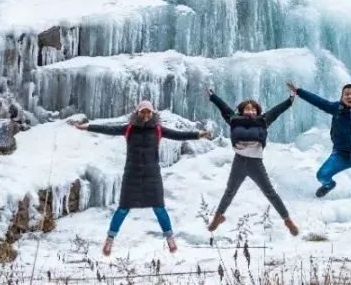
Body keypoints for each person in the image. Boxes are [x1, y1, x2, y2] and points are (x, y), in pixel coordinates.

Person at [73, 100, 209, 256]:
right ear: (137, 112)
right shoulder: (129, 128)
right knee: (123, 208)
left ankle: (170, 238)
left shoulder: (158, 129)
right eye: (143, 111)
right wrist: (86, 127)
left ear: (152, 113)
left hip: (152, 175)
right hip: (132, 174)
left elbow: (178, 135)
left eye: (148, 112)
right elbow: (107, 129)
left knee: (159, 208)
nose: (145, 114)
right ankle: (110, 239)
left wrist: (198, 135)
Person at [205, 87, 299, 236]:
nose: (251, 111)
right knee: (230, 191)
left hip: (256, 163)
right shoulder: (234, 119)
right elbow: (223, 107)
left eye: (254, 109)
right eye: (247, 109)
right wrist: (212, 96)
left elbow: (276, 110)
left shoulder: (263, 120)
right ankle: (218, 217)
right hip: (239, 161)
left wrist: (290, 100)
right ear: (242, 111)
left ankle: (287, 220)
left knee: (270, 192)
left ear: (258, 111)